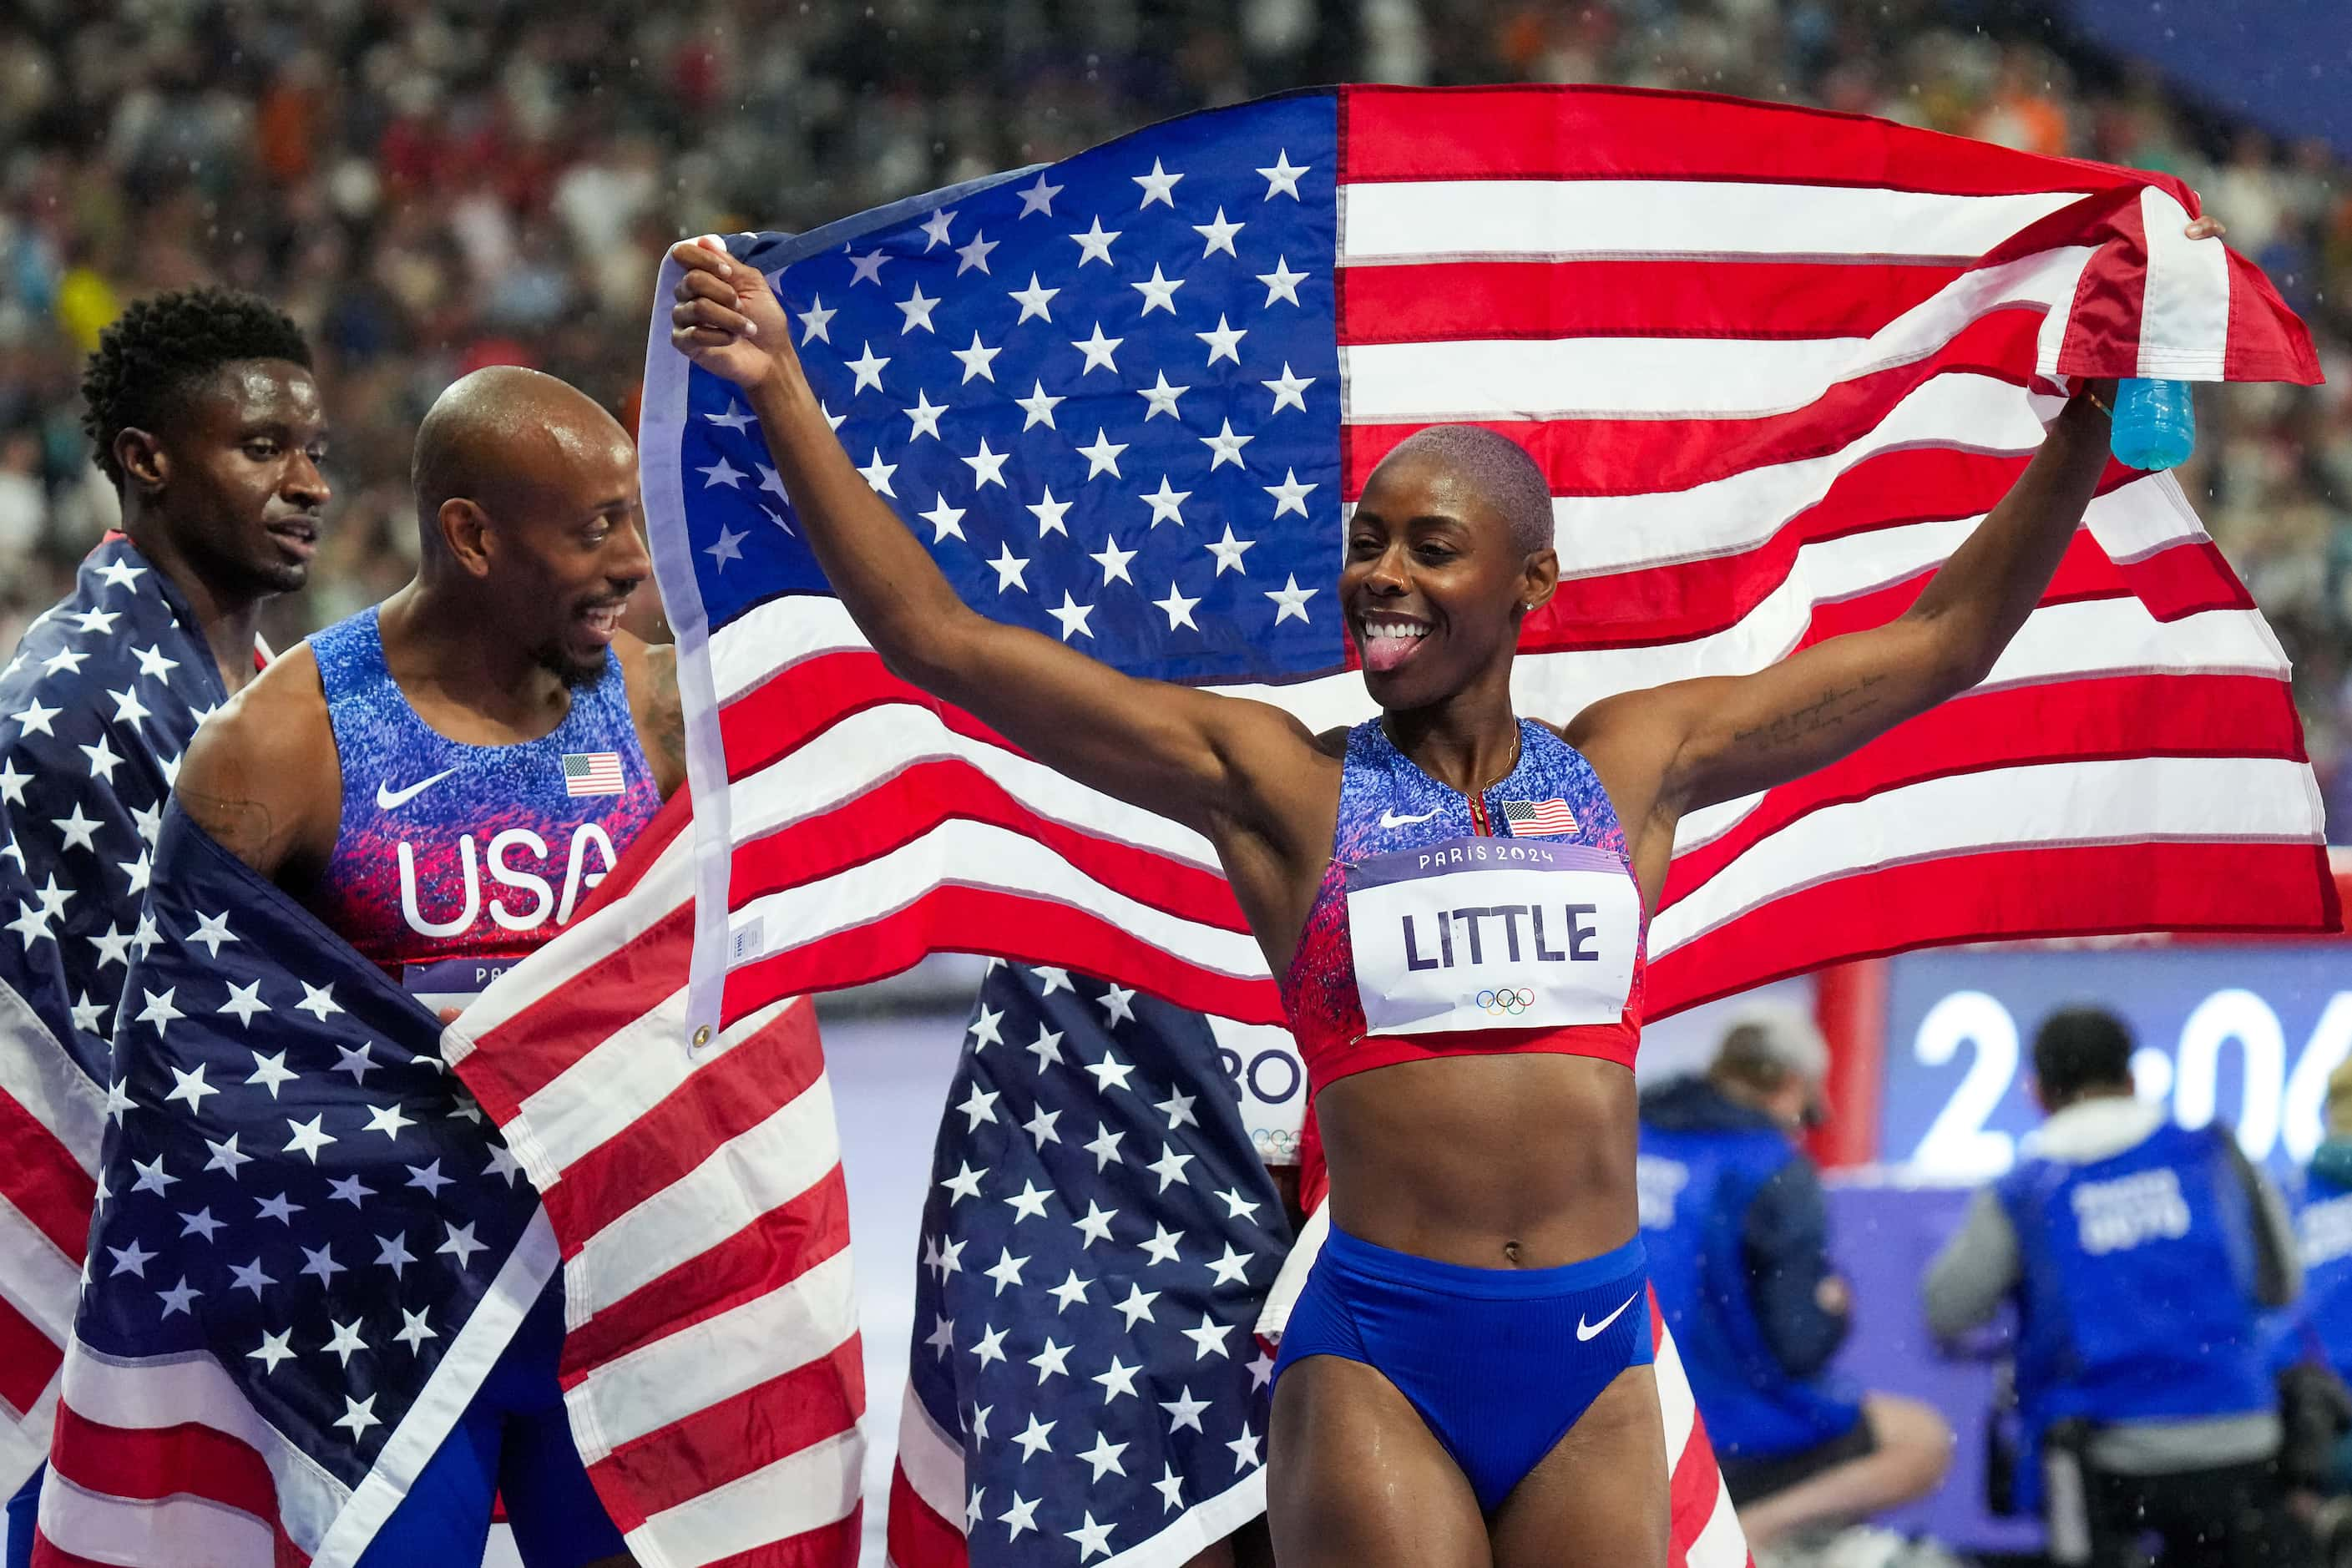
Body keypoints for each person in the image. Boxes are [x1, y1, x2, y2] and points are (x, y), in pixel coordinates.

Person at [666, 210, 2225, 1568]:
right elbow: (943, 642)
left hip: (1591, 1361)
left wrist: (2083, 423)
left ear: (1530, 583)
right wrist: (784, 394)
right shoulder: (1283, 784)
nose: (1382, 575)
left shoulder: (1632, 766)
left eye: (1430, 545)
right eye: (1365, 544)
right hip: (1381, 1357)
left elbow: (1943, 641)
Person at [164, 365, 687, 1567]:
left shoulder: (652, 708)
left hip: (606, 1303)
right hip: (382, 1321)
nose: (633, 563)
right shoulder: (282, 741)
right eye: (597, 527)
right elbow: (188, 1069)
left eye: (635, 522)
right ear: (471, 534)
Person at [0, 286, 328, 1566]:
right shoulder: (76, 704)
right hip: (83, 1306)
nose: (304, 482)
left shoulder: (240, 685)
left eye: (313, 451)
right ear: (146, 461)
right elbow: (107, 1072)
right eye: (260, 448)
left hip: (185, 1281)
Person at [1923, 1006, 2305, 1567]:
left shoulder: (2026, 1190)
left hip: (2108, 1462)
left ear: (2038, 1093)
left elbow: (1947, 1307)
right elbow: (2280, 1287)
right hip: (2240, 1437)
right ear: (2132, 1080)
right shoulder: (2212, 1151)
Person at [1639, 1004, 1953, 1546]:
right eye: (1807, 1109)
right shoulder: (1770, 1168)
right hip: (1716, 1429)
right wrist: (1835, 1306)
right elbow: (1798, 1344)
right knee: (1922, 1440)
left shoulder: (1630, 1137)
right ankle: (1742, 1537)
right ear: (1789, 1086)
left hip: (1617, 1417)